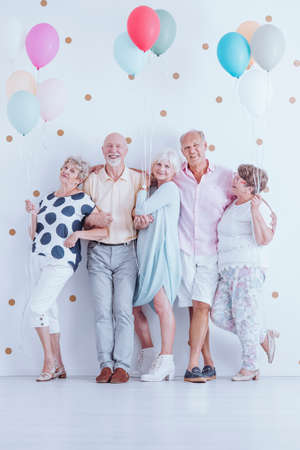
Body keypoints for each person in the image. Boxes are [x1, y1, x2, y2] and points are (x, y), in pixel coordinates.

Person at [25, 157, 106, 382]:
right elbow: (34, 235)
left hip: (62, 260)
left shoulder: (83, 200)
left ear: (79, 179)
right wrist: (33, 214)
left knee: (36, 307)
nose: (66, 172)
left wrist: (79, 234)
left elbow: (102, 231)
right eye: (64, 168)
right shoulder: (48, 198)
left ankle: (48, 361)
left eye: (72, 171)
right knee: (49, 310)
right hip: (38, 257)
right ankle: (59, 365)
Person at [83, 132, 144, 384]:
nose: (114, 150)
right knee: (101, 312)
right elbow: (83, 219)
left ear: (126, 150)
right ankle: (105, 365)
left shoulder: (139, 178)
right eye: (109, 146)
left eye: (119, 146)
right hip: (97, 251)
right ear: (102, 150)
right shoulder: (91, 180)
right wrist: (93, 220)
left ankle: (123, 366)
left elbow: (162, 179)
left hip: (127, 252)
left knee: (123, 311)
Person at [211, 164, 279, 381]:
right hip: (227, 270)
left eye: (240, 179)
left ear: (251, 187)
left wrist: (256, 211)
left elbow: (264, 239)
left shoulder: (258, 206)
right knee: (218, 315)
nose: (234, 179)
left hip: (247, 269)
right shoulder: (233, 206)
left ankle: (250, 367)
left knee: (245, 318)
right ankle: (261, 335)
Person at [132, 150, 181, 382]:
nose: (162, 169)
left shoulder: (168, 189)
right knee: (134, 308)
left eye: (167, 167)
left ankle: (167, 359)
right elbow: (140, 218)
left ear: (174, 172)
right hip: (145, 254)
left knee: (162, 306)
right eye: (159, 164)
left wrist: (141, 191)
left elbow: (141, 208)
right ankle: (150, 352)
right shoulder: (155, 191)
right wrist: (140, 222)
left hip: (161, 254)